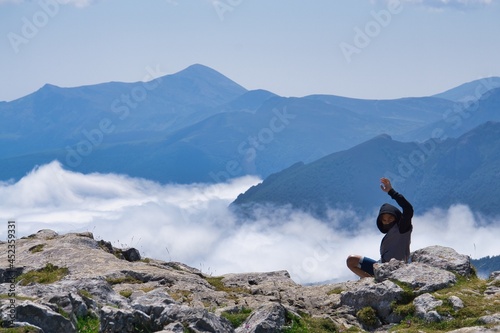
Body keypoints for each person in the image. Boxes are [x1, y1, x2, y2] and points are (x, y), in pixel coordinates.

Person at [346, 177, 414, 278]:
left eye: (390, 219)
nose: (387, 222)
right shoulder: (391, 232)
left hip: (397, 270)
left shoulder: (402, 228)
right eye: (384, 220)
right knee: (351, 260)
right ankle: (370, 280)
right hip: (381, 266)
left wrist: (391, 191)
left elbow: (408, 209)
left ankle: (373, 281)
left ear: (396, 217)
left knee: (353, 261)